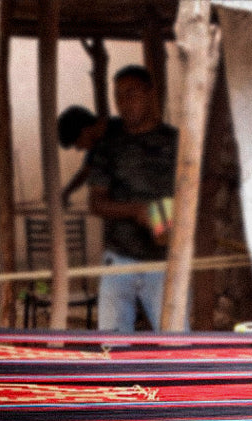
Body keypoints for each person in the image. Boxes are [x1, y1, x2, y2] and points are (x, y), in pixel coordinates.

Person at [87, 66, 178, 332]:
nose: (124, 103)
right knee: (111, 346)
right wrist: (137, 210)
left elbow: (196, 191)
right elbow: (96, 202)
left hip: (165, 260)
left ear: (150, 94)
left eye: (131, 93)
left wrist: (163, 217)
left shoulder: (175, 143)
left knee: (175, 343)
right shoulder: (109, 146)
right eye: (119, 96)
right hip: (119, 259)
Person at [56, 105, 116, 206]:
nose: (78, 149)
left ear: (84, 131)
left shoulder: (122, 130)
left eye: (76, 143)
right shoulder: (97, 147)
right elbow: (86, 171)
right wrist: (66, 192)